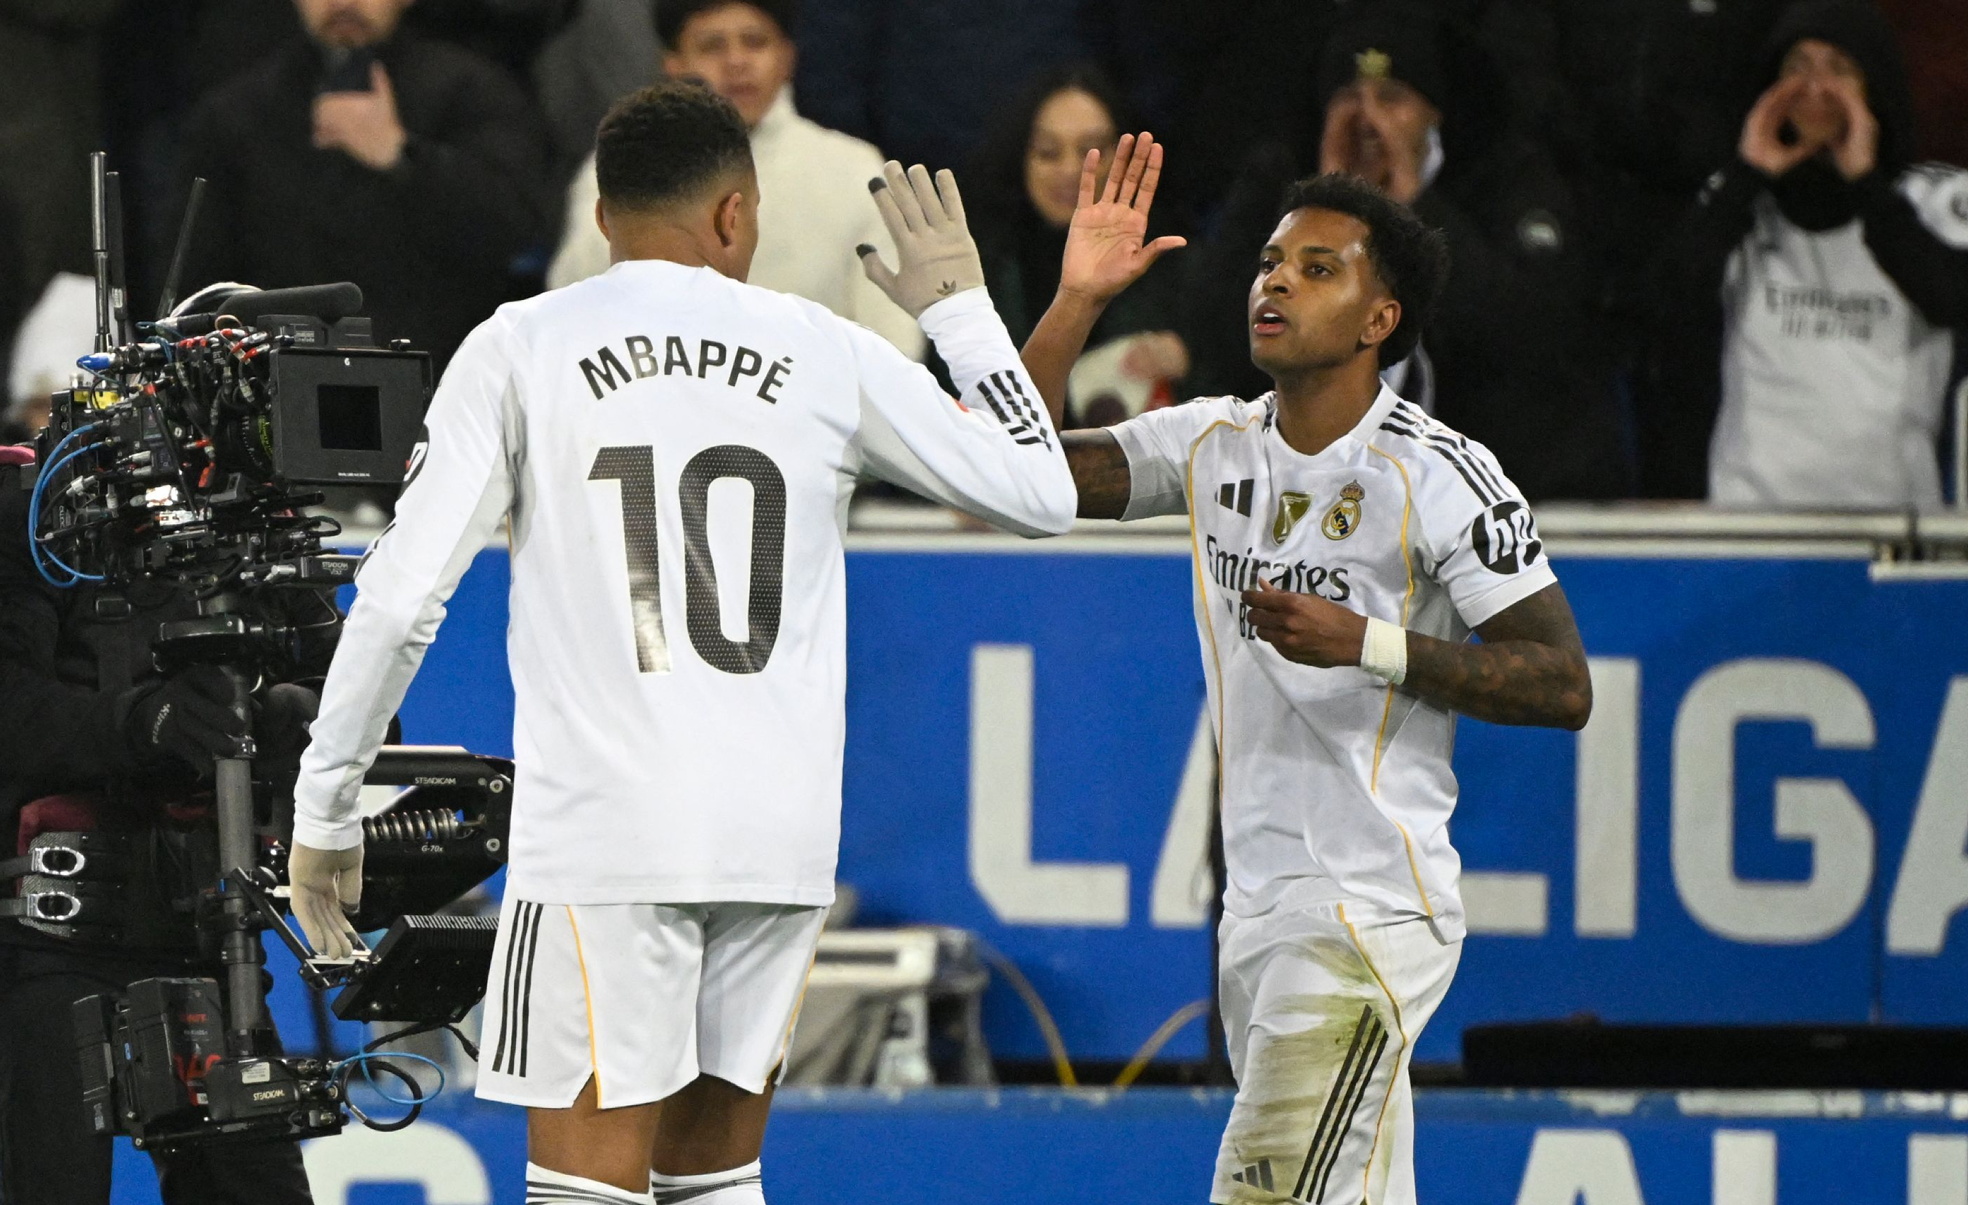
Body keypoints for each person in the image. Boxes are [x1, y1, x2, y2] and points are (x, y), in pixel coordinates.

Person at [287, 80, 1073, 1205]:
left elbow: (405, 592)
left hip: (607, 835)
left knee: (589, 1190)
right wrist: (960, 312)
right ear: (737, 215)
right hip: (776, 835)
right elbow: (1040, 491)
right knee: (713, 1179)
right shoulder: (825, 346)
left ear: (603, 219)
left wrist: (327, 809)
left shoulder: (522, 344)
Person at [984, 136, 1593, 1202]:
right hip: (1260, 906)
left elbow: (1560, 680)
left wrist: (1370, 642)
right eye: (1273, 260)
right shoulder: (1211, 442)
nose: (1278, 280)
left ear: (1379, 319)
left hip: (1367, 911)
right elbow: (1010, 472)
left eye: (1319, 267)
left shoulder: (1440, 473)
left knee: (1264, 1190)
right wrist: (1078, 299)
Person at [0, 458, 330, 1201]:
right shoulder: (36, 508)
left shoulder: (259, 523)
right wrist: (147, 722)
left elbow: (348, 696)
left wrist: (291, 716)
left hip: (209, 945)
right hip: (43, 946)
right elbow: (11, 708)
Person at [1183, 0, 1628, 499]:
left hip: (1492, 490)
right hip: (1309, 493)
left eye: (1391, 98)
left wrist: (1416, 205)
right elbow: (1220, 333)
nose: (1368, 120)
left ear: (1433, 114)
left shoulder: (1507, 181)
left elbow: (1531, 337)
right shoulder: (1277, 186)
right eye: (1348, 98)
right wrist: (1326, 213)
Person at [1638, 0, 1968, 505]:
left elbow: (1948, 298)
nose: (1815, 87)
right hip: (1754, 522)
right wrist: (1748, 175)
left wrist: (1865, 184)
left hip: (1891, 527)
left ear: (1873, 83)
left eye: (1839, 69)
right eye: (1797, 67)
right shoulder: (1738, 202)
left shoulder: (1934, 200)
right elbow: (1663, 301)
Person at [175, 0, 555, 370]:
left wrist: (399, 153)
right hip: (276, 384)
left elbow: (515, 227)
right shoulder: (236, 114)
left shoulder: (473, 89)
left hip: (442, 374)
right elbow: (197, 281)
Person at [548, 0, 922, 359]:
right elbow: (572, 300)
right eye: (712, 46)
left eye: (755, 42)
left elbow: (893, 332)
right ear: (674, 64)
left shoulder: (853, 166)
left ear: (787, 56)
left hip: (819, 415)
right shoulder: (622, 161)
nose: (736, 62)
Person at [966, 65, 1188, 427]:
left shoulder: (1173, 256)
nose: (1071, 169)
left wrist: (1188, 361)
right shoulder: (978, 264)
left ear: (1125, 152)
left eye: (1091, 150)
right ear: (1021, 157)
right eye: (1048, 152)